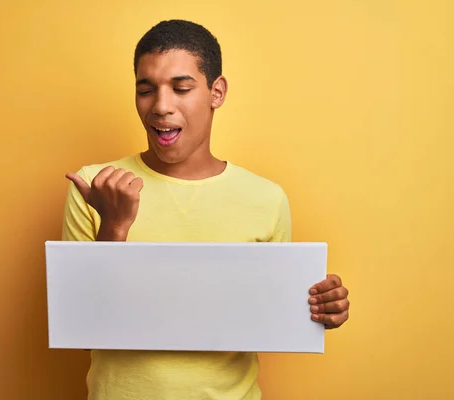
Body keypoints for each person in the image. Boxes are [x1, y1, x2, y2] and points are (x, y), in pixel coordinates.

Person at [61, 19, 350, 400]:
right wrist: (114, 228)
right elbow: (83, 332)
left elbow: (271, 318)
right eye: (146, 90)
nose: (161, 107)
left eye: (181, 88)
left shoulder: (266, 199)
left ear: (217, 92)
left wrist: (320, 309)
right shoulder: (97, 186)